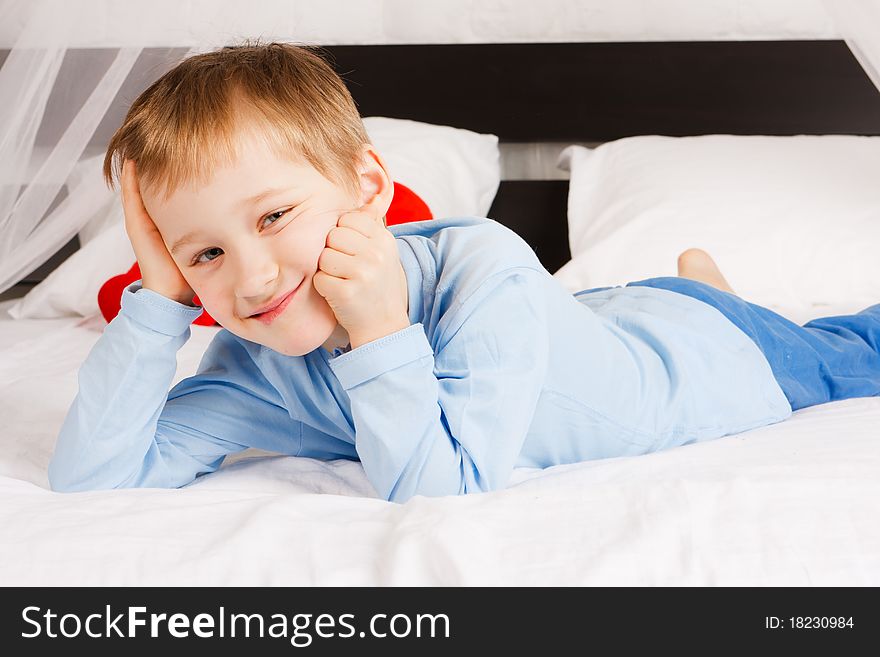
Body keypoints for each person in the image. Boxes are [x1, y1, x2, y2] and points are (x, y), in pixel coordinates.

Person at [47, 43, 880, 503]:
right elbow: (93, 478)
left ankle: (711, 295)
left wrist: (376, 329)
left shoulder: (481, 265)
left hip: (708, 356)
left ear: (369, 188)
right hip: (593, 324)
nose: (253, 277)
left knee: (852, 353)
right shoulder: (252, 367)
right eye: (205, 254)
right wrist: (160, 296)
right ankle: (700, 284)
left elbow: (442, 490)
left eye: (272, 217)